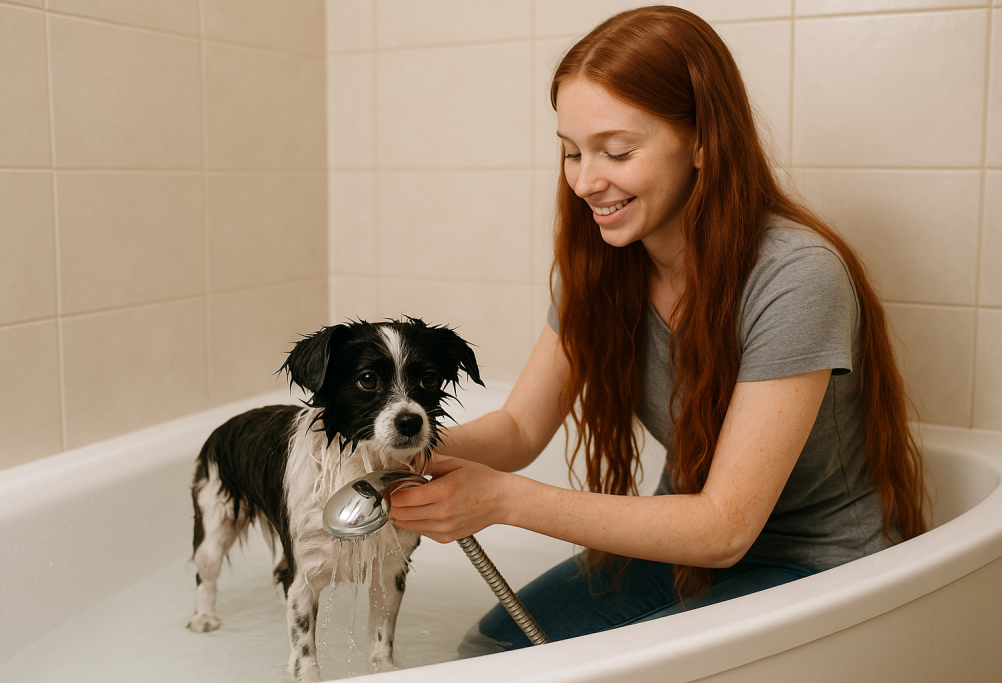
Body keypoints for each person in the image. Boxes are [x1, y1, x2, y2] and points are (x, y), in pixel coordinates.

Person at [389, 5, 927, 654]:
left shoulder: (795, 275)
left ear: (703, 141)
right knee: (491, 653)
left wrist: (503, 500)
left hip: (817, 559)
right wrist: (392, 452)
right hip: (684, 545)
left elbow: (725, 527)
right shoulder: (600, 269)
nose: (586, 181)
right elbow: (521, 429)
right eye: (572, 152)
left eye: (617, 151)